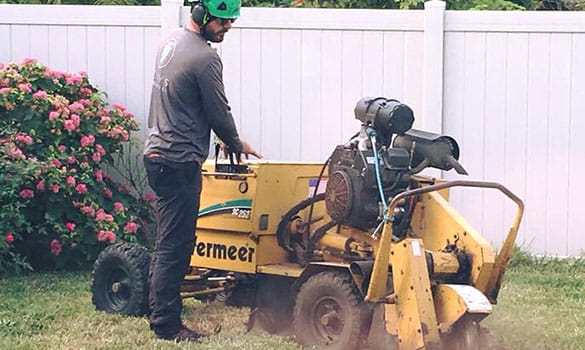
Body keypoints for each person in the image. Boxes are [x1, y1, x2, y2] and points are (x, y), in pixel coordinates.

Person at [143, 0, 261, 342]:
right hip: (179, 160)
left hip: (157, 154)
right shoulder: (207, 57)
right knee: (176, 244)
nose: (228, 28)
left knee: (168, 236)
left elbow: (184, 102)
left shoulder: (171, 42)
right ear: (203, 15)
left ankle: (155, 305)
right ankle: (166, 324)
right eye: (223, 21)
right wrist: (236, 142)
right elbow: (218, 111)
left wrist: (221, 139)